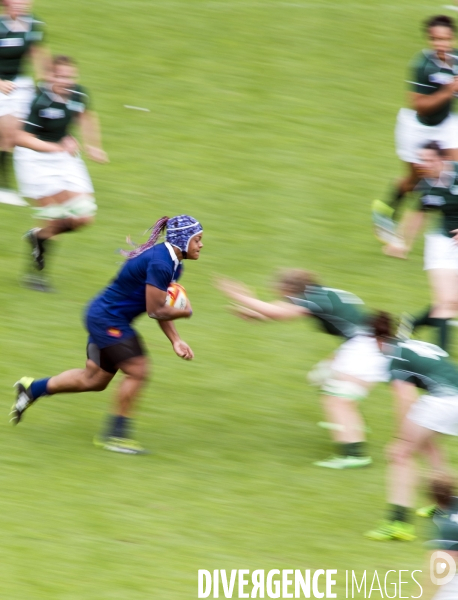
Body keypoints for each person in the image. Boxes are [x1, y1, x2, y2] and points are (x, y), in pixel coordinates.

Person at [10, 215, 204, 455]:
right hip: (108, 320)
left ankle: (32, 389)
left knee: (94, 379)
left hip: (104, 316)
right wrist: (185, 313)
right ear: (183, 240)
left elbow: (159, 305)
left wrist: (176, 339)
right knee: (138, 370)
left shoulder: (174, 263)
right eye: (197, 240)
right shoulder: (161, 263)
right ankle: (115, 437)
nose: (201, 245)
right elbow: (156, 310)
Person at [217, 270, 390, 469]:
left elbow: (280, 311)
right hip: (364, 344)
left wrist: (242, 297)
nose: (278, 295)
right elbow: (284, 311)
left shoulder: (312, 299)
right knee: (321, 377)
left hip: (364, 348)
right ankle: (349, 426)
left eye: (279, 291)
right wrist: (258, 315)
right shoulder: (321, 294)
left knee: (336, 401)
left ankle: (353, 453)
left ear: (289, 289)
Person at [13, 54, 108, 290]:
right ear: (50, 75)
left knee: (84, 217)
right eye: (60, 76)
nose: (66, 81)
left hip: (63, 157)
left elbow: (87, 115)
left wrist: (92, 145)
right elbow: (21, 138)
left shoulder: (79, 95)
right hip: (34, 160)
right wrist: (55, 146)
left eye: (70, 76)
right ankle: (36, 275)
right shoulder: (41, 101)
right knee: (55, 215)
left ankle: (39, 237)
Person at [373, 15, 458, 245]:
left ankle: (451, 223)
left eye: (445, 38)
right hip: (418, 128)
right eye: (435, 39)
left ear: (452, 37)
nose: (441, 44)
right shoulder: (422, 64)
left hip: (446, 125)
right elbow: (419, 105)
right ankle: (385, 209)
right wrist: (449, 90)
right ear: (430, 40)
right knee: (416, 181)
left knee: (454, 171)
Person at [365, 336, 458, 541]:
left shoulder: (394, 356)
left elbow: (406, 397)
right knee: (427, 443)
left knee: (400, 455)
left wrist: (401, 438)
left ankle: (398, 523)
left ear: (379, 342)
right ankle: (446, 505)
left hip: (444, 402)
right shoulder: (421, 345)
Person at [391, 142, 458, 352]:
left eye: (429, 160)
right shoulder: (428, 185)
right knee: (447, 301)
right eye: (422, 160)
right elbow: (419, 214)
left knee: (453, 302)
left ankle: (411, 324)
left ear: (442, 159)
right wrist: (402, 243)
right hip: (442, 244)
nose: (424, 165)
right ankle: (442, 356)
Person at [0, 0, 48, 178]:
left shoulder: (33, 24)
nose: (22, 3)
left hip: (20, 83)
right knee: (8, 135)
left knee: (21, 135)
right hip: (1, 84)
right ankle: (4, 186)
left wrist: (45, 84)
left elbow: (38, 54)